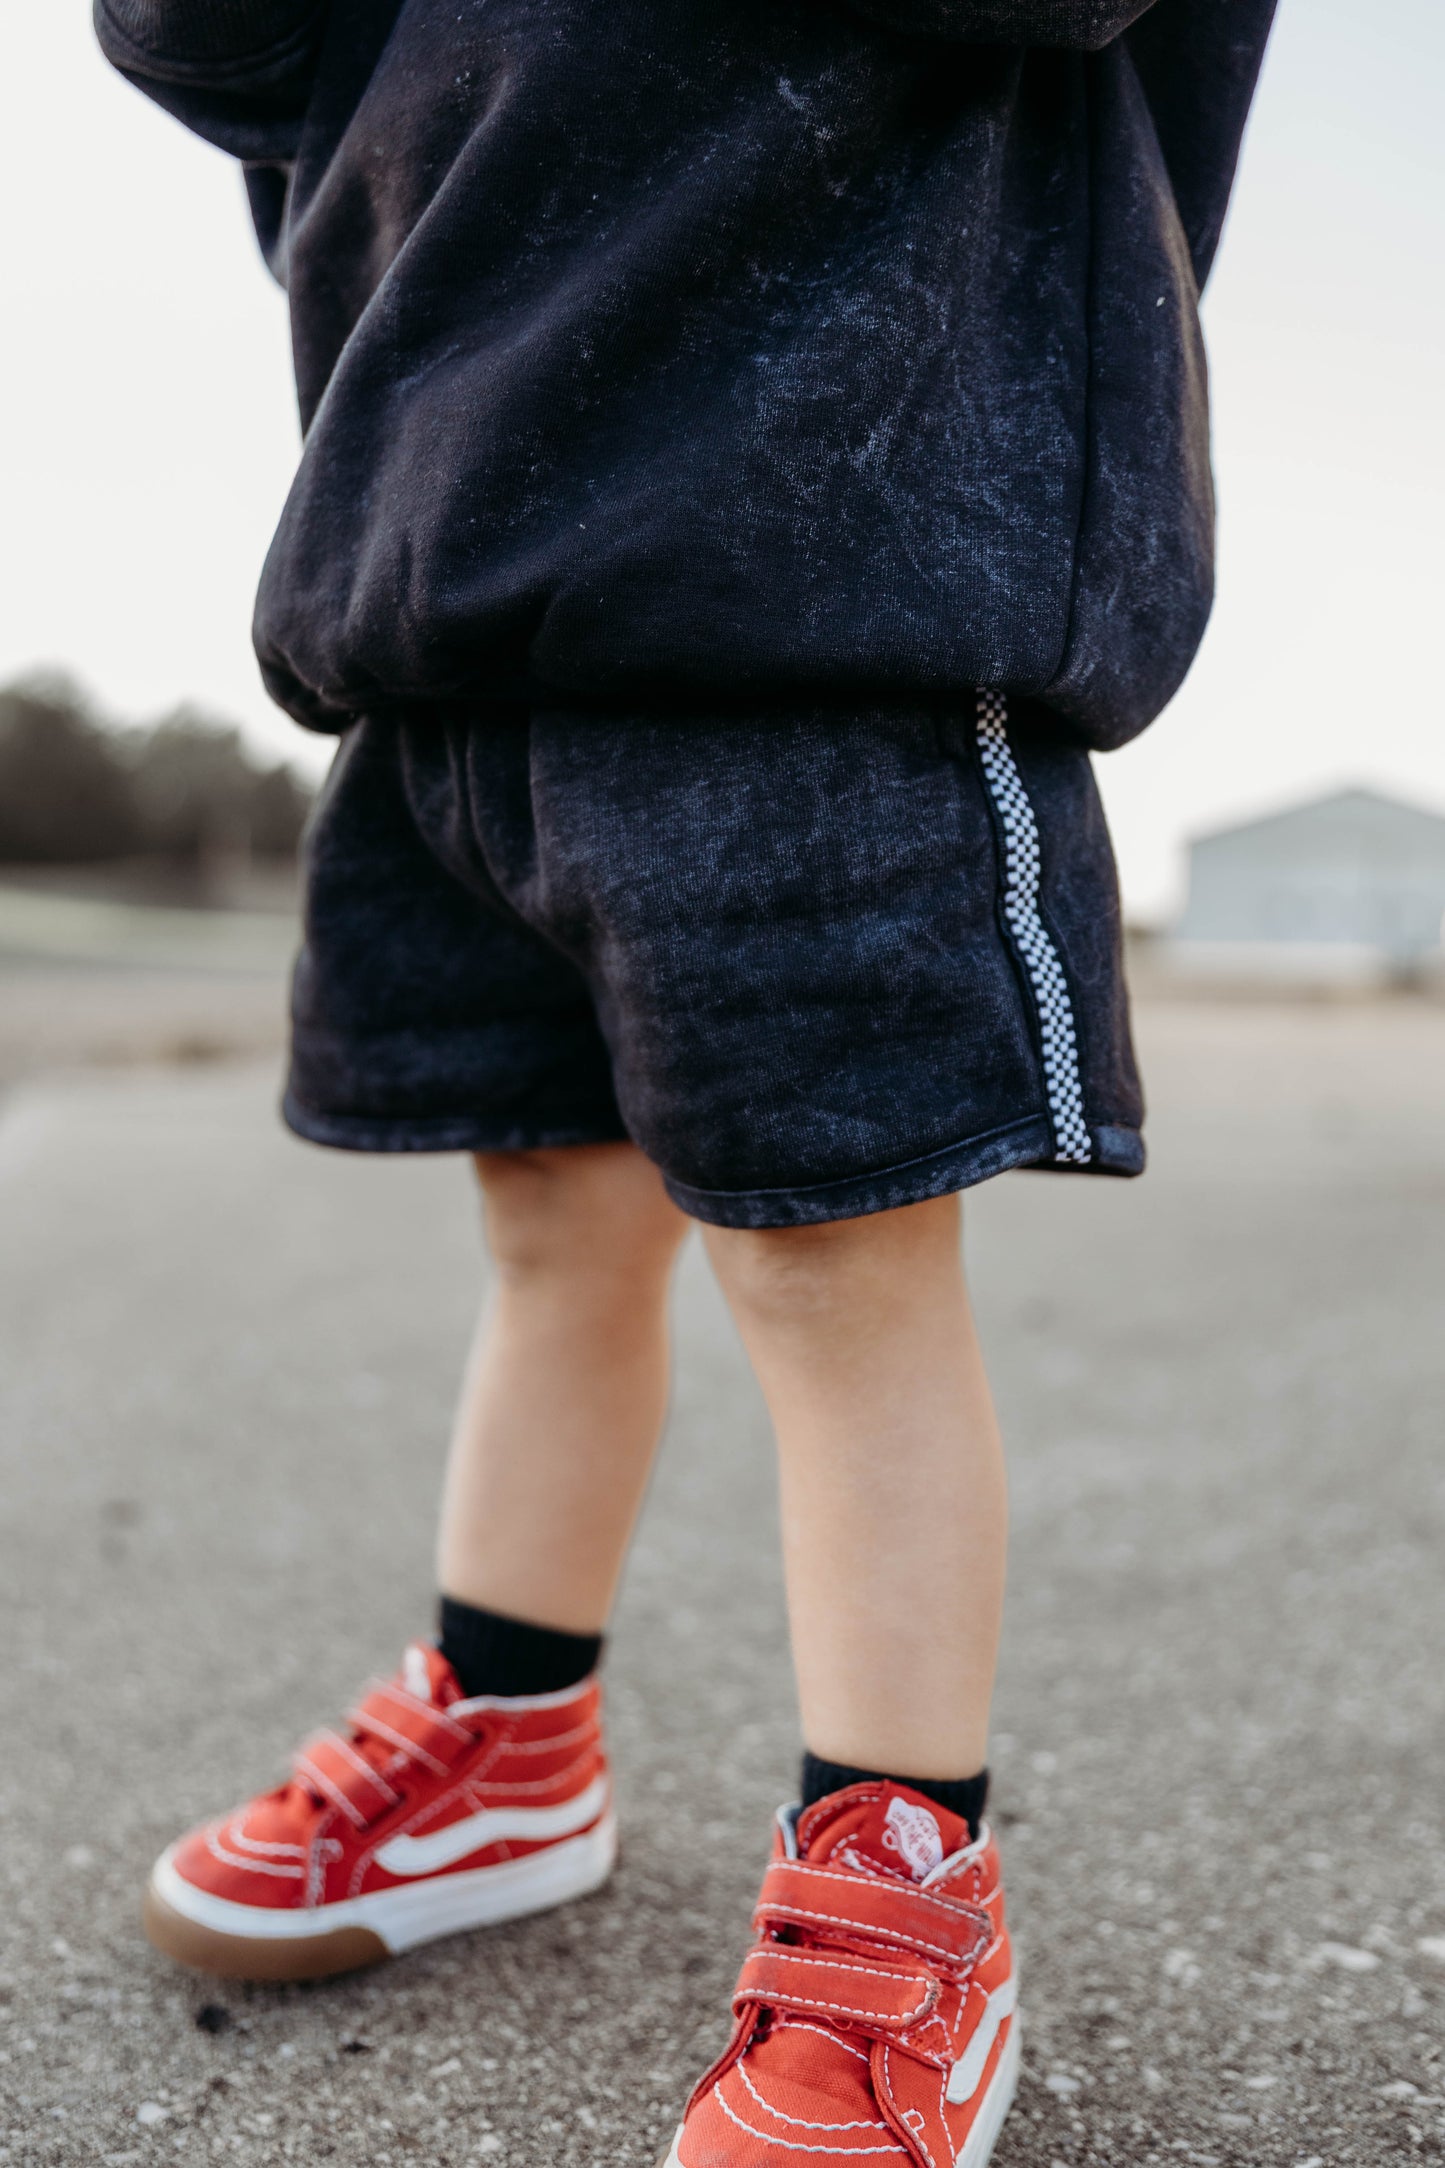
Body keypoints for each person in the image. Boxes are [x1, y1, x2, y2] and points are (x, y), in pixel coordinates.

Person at [96, 0, 1274, 2159]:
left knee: (835, 1258)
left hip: (831, 568)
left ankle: (905, 1874)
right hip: (443, 597)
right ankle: (510, 1732)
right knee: (549, 1208)